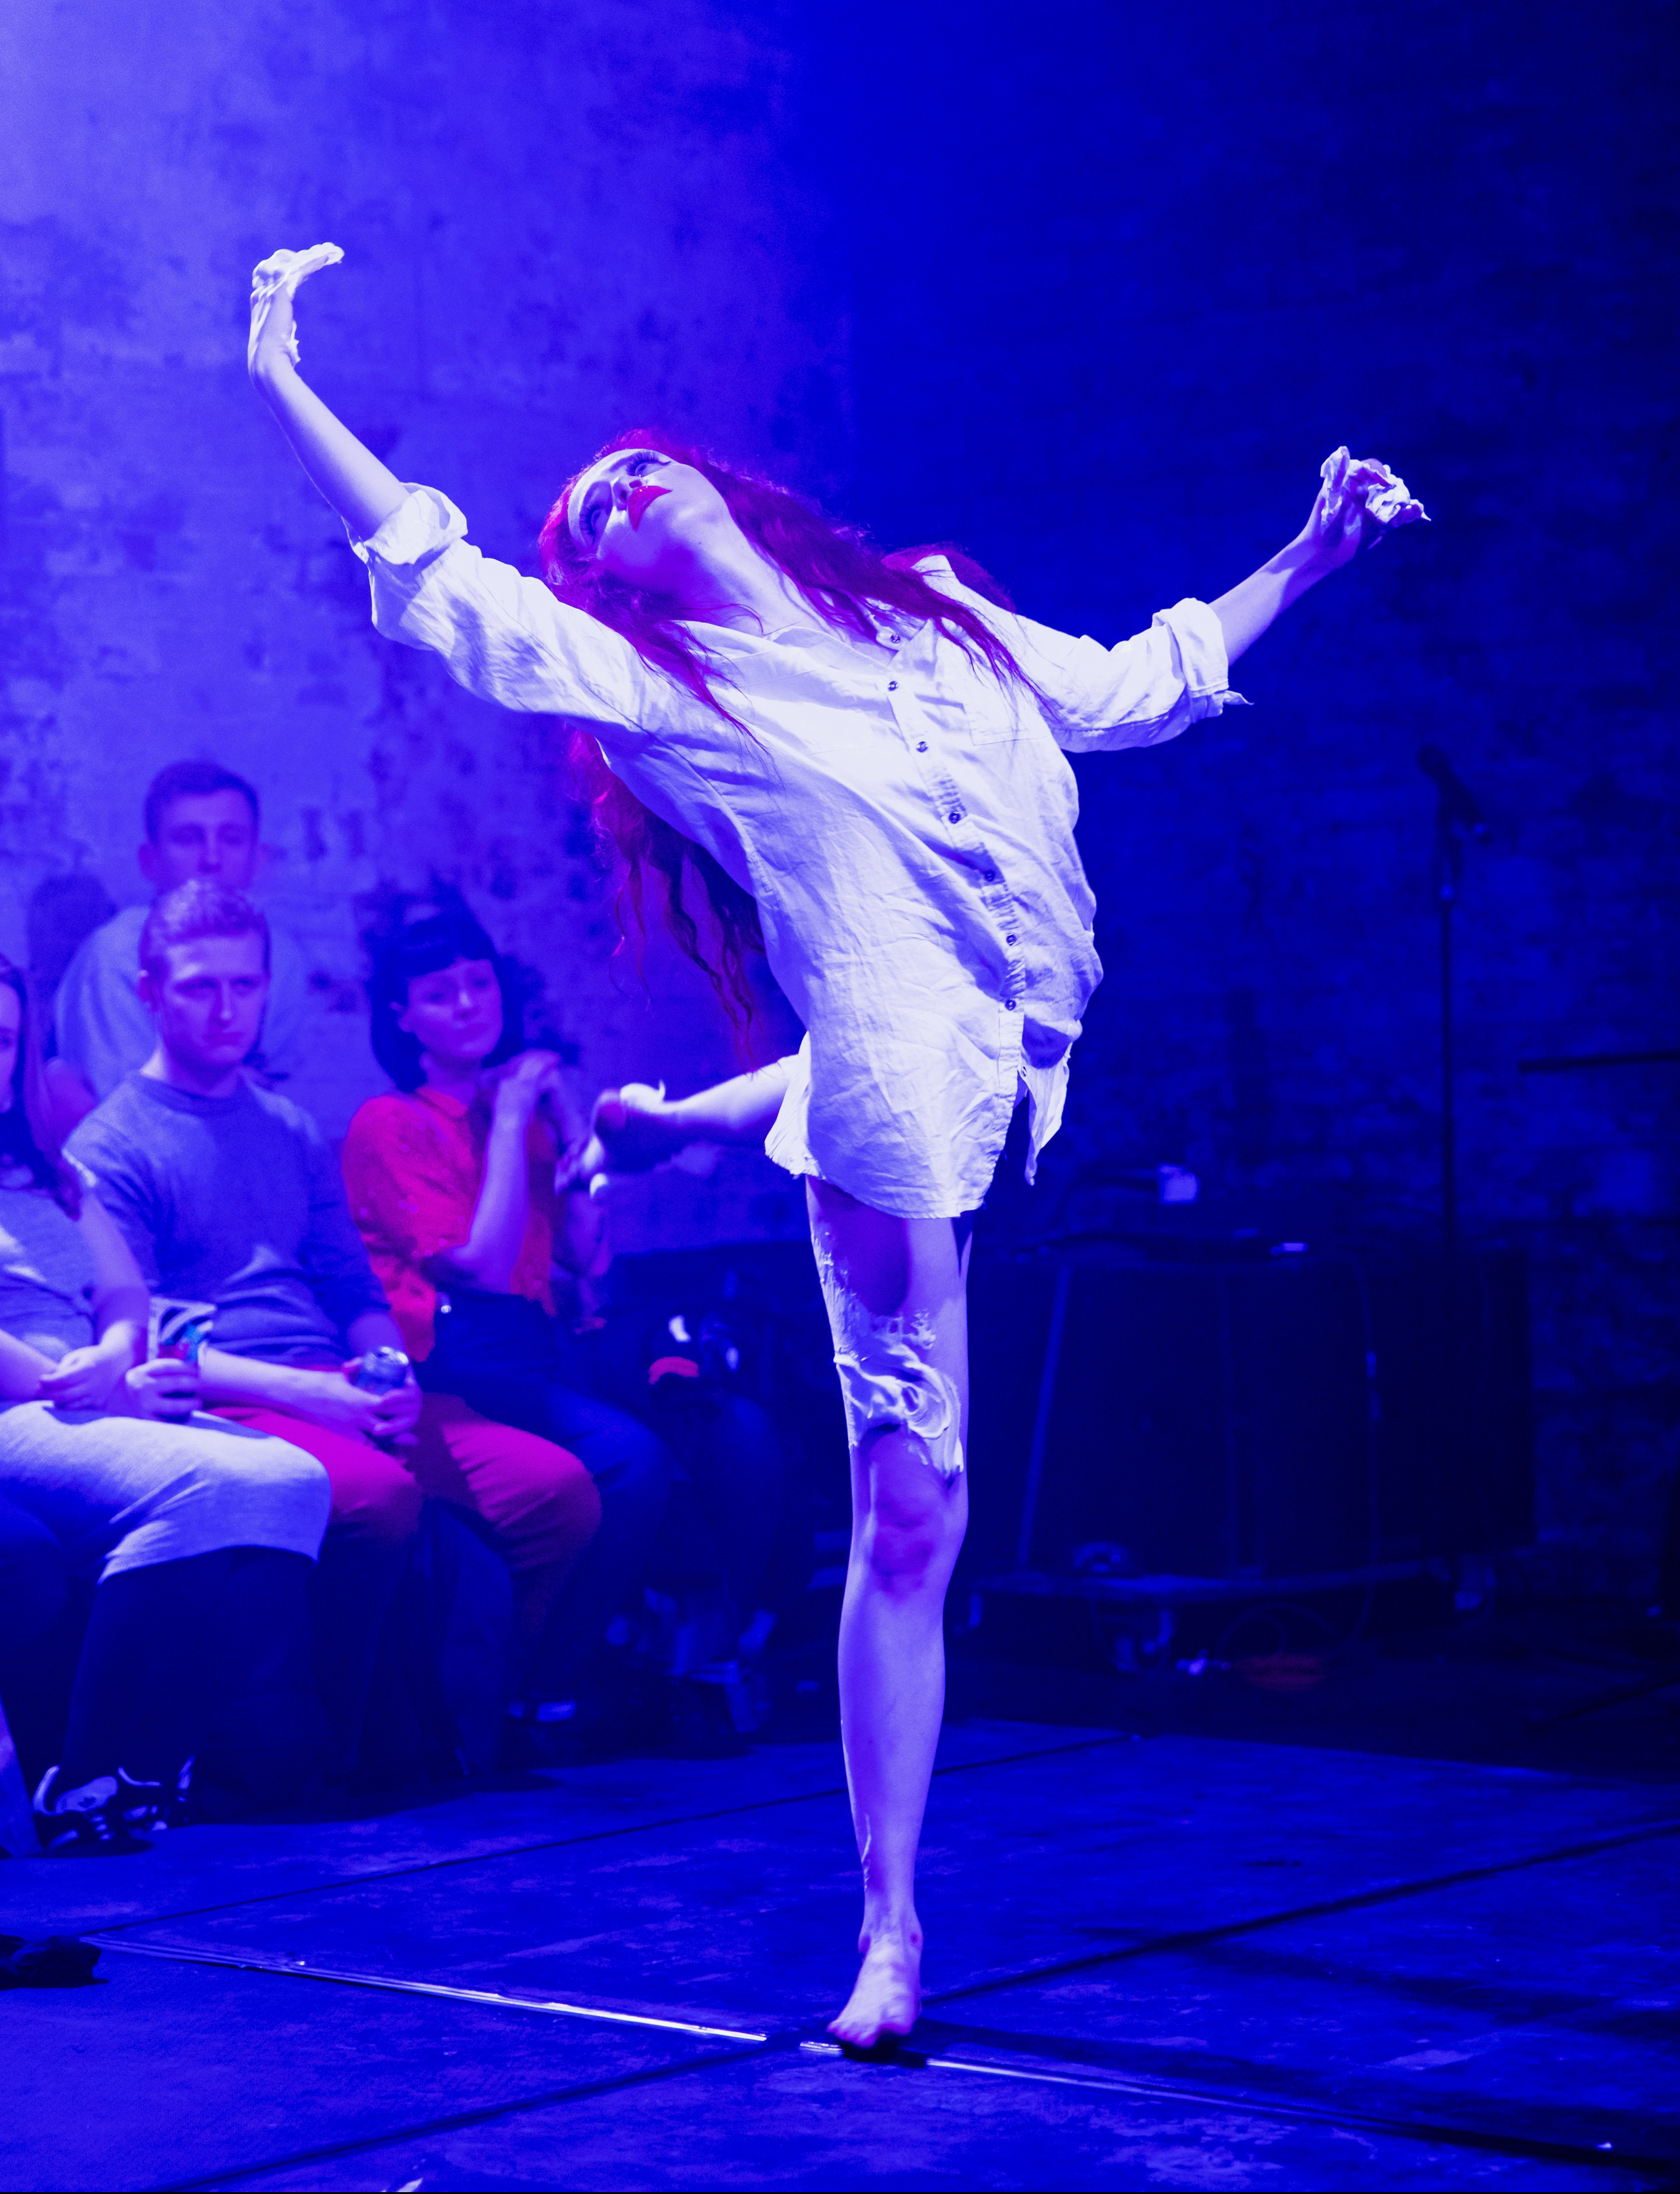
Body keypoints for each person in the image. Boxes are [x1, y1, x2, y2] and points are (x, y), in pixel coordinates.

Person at [248, 241, 1419, 2043]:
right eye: (590, 513)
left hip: (1007, 1031)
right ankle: (888, 1932)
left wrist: (1310, 553)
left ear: (707, 478)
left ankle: (681, 1125)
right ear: (614, 581)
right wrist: (282, 377)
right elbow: (446, 584)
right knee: (911, 1510)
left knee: (834, 1137)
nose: (618, 490)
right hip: (883, 1068)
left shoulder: (929, 610)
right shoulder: (664, 696)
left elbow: (1129, 692)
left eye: (630, 464)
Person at [66, 879, 601, 1772]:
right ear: (150, 994)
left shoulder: (286, 1125)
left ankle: (453, 1727)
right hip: (231, 1396)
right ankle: (338, 1756)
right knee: (378, 1497)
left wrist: (382, 1370)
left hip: (337, 1382)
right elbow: (152, 1332)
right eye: (200, 986)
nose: (226, 1008)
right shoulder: (109, 1144)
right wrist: (313, 1392)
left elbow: (351, 1284)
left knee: (560, 1493)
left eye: (245, 984)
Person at [341, 892, 787, 1754]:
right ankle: (538, 1680)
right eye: (442, 993)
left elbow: (586, 1255)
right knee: (630, 1458)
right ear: (403, 1017)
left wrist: (576, 1131)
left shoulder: (521, 1112)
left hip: (541, 1348)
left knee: (733, 1429)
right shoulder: (390, 1122)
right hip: (454, 1361)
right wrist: (508, 1122)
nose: (469, 1005)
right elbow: (479, 1264)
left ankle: (697, 1655)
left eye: (480, 985)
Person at [0, 952, 332, 1851]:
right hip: (19, 1405)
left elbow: (121, 1296)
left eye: (2, 1041)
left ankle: (150, 1769)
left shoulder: (49, 1171)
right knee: (194, 1488)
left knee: (294, 1480)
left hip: (91, 1388)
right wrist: (88, 1380)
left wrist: (113, 1356)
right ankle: (80, 1776)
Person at [53, 758, 311, 1111]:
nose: (211, 859)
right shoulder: (116, 954)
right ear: (150, 861)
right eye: (189, 839)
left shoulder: (282, 956)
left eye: (232, 839)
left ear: (255, 859)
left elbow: (270, 1094)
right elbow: (126, 1104)